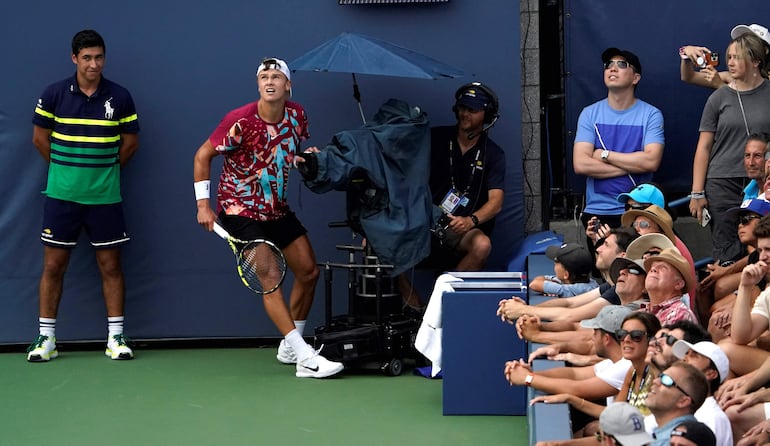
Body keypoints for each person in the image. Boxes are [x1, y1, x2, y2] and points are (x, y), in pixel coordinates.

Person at [192, 57, 343, 379]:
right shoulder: (240, 121)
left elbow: (286, 152)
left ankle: (290, 346)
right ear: (258, 85)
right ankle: (305, 357)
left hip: (276, 208)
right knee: (270, 277)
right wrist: (203, 205)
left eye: (276, 76)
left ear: (288, 85)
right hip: (239, 209)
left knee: (309, 271)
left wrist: (304, 159)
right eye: (264, 77)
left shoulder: (297, 116)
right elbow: (202, 155)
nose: (270, 81)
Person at [27, 29, 139, 362]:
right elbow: (39, 139)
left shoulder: (120, 97)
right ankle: (46, 340)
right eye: (87, 57)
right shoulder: (54, 94)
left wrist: (101, 172)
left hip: (105, 198)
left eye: (99, 57)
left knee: (111, 266)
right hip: (62, 197)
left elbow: (130, 143)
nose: (94, 64)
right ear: (74, 58)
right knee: (53, 267)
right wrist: (68, 170)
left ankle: (115, 338)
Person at [400, 82, 505, 308]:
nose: (465, 114)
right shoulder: (435, 138)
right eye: (462, 108)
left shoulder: (493, 153)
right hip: (423, 222)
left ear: (488, 116)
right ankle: (415, 307)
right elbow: (403, 175)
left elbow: (496, 202)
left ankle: (440, 304)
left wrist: (471, 221)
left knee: (482, 245)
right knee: (378, 243)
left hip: (459, 229)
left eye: (473, 110)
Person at [572, 47, 664, 252]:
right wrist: (633, 165)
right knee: (604, 274)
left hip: (638, 211)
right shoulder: (589, 114)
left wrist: (604, 155)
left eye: (622, 65)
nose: (612, 69)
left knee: (637, 272)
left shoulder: (651, 115)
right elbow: (580, 164)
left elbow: (651, 162)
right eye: (608, 65)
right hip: (599, 211)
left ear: (635, 77)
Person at [689, 32, 770, 262]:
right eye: (729, 57)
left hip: (762, 180)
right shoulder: (718, 97)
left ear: (756, 61)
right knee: (726, 252)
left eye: (737, 57)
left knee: (762, 246)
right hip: (722, 182)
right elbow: (704, 146)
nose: (730, 62)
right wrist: (697, 192)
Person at [670, 340, 733, 446]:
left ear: (710, 374)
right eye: (686, 354)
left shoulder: (714, 417)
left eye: (694, 355)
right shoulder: (675, 406)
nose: (685, 359)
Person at [679, 24, 770, 90]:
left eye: (750, 43)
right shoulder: (730, 77)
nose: (743, 46)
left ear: (765, 50)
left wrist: (720, 85)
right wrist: (686, 55)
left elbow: (756, 107)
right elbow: (689, 77)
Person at [645, 362, 710, 446]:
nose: (655, 381)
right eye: (659, 376)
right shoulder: (662, 435)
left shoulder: (678, 441)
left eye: (666, 380)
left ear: (683, 401)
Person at [641, 248, 698, 325]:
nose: (653, 269)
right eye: (652, 267)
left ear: (678, 284)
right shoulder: (639, 313)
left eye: (663, 268)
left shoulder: (681, 313)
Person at [529, 243, 598, 297]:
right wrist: (552, 285)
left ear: (566, 274)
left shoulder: (576, 290)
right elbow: (539, 278)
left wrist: (553, 288)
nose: (554, 263)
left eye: (556, 262)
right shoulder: (591, 282)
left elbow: (534, 284)